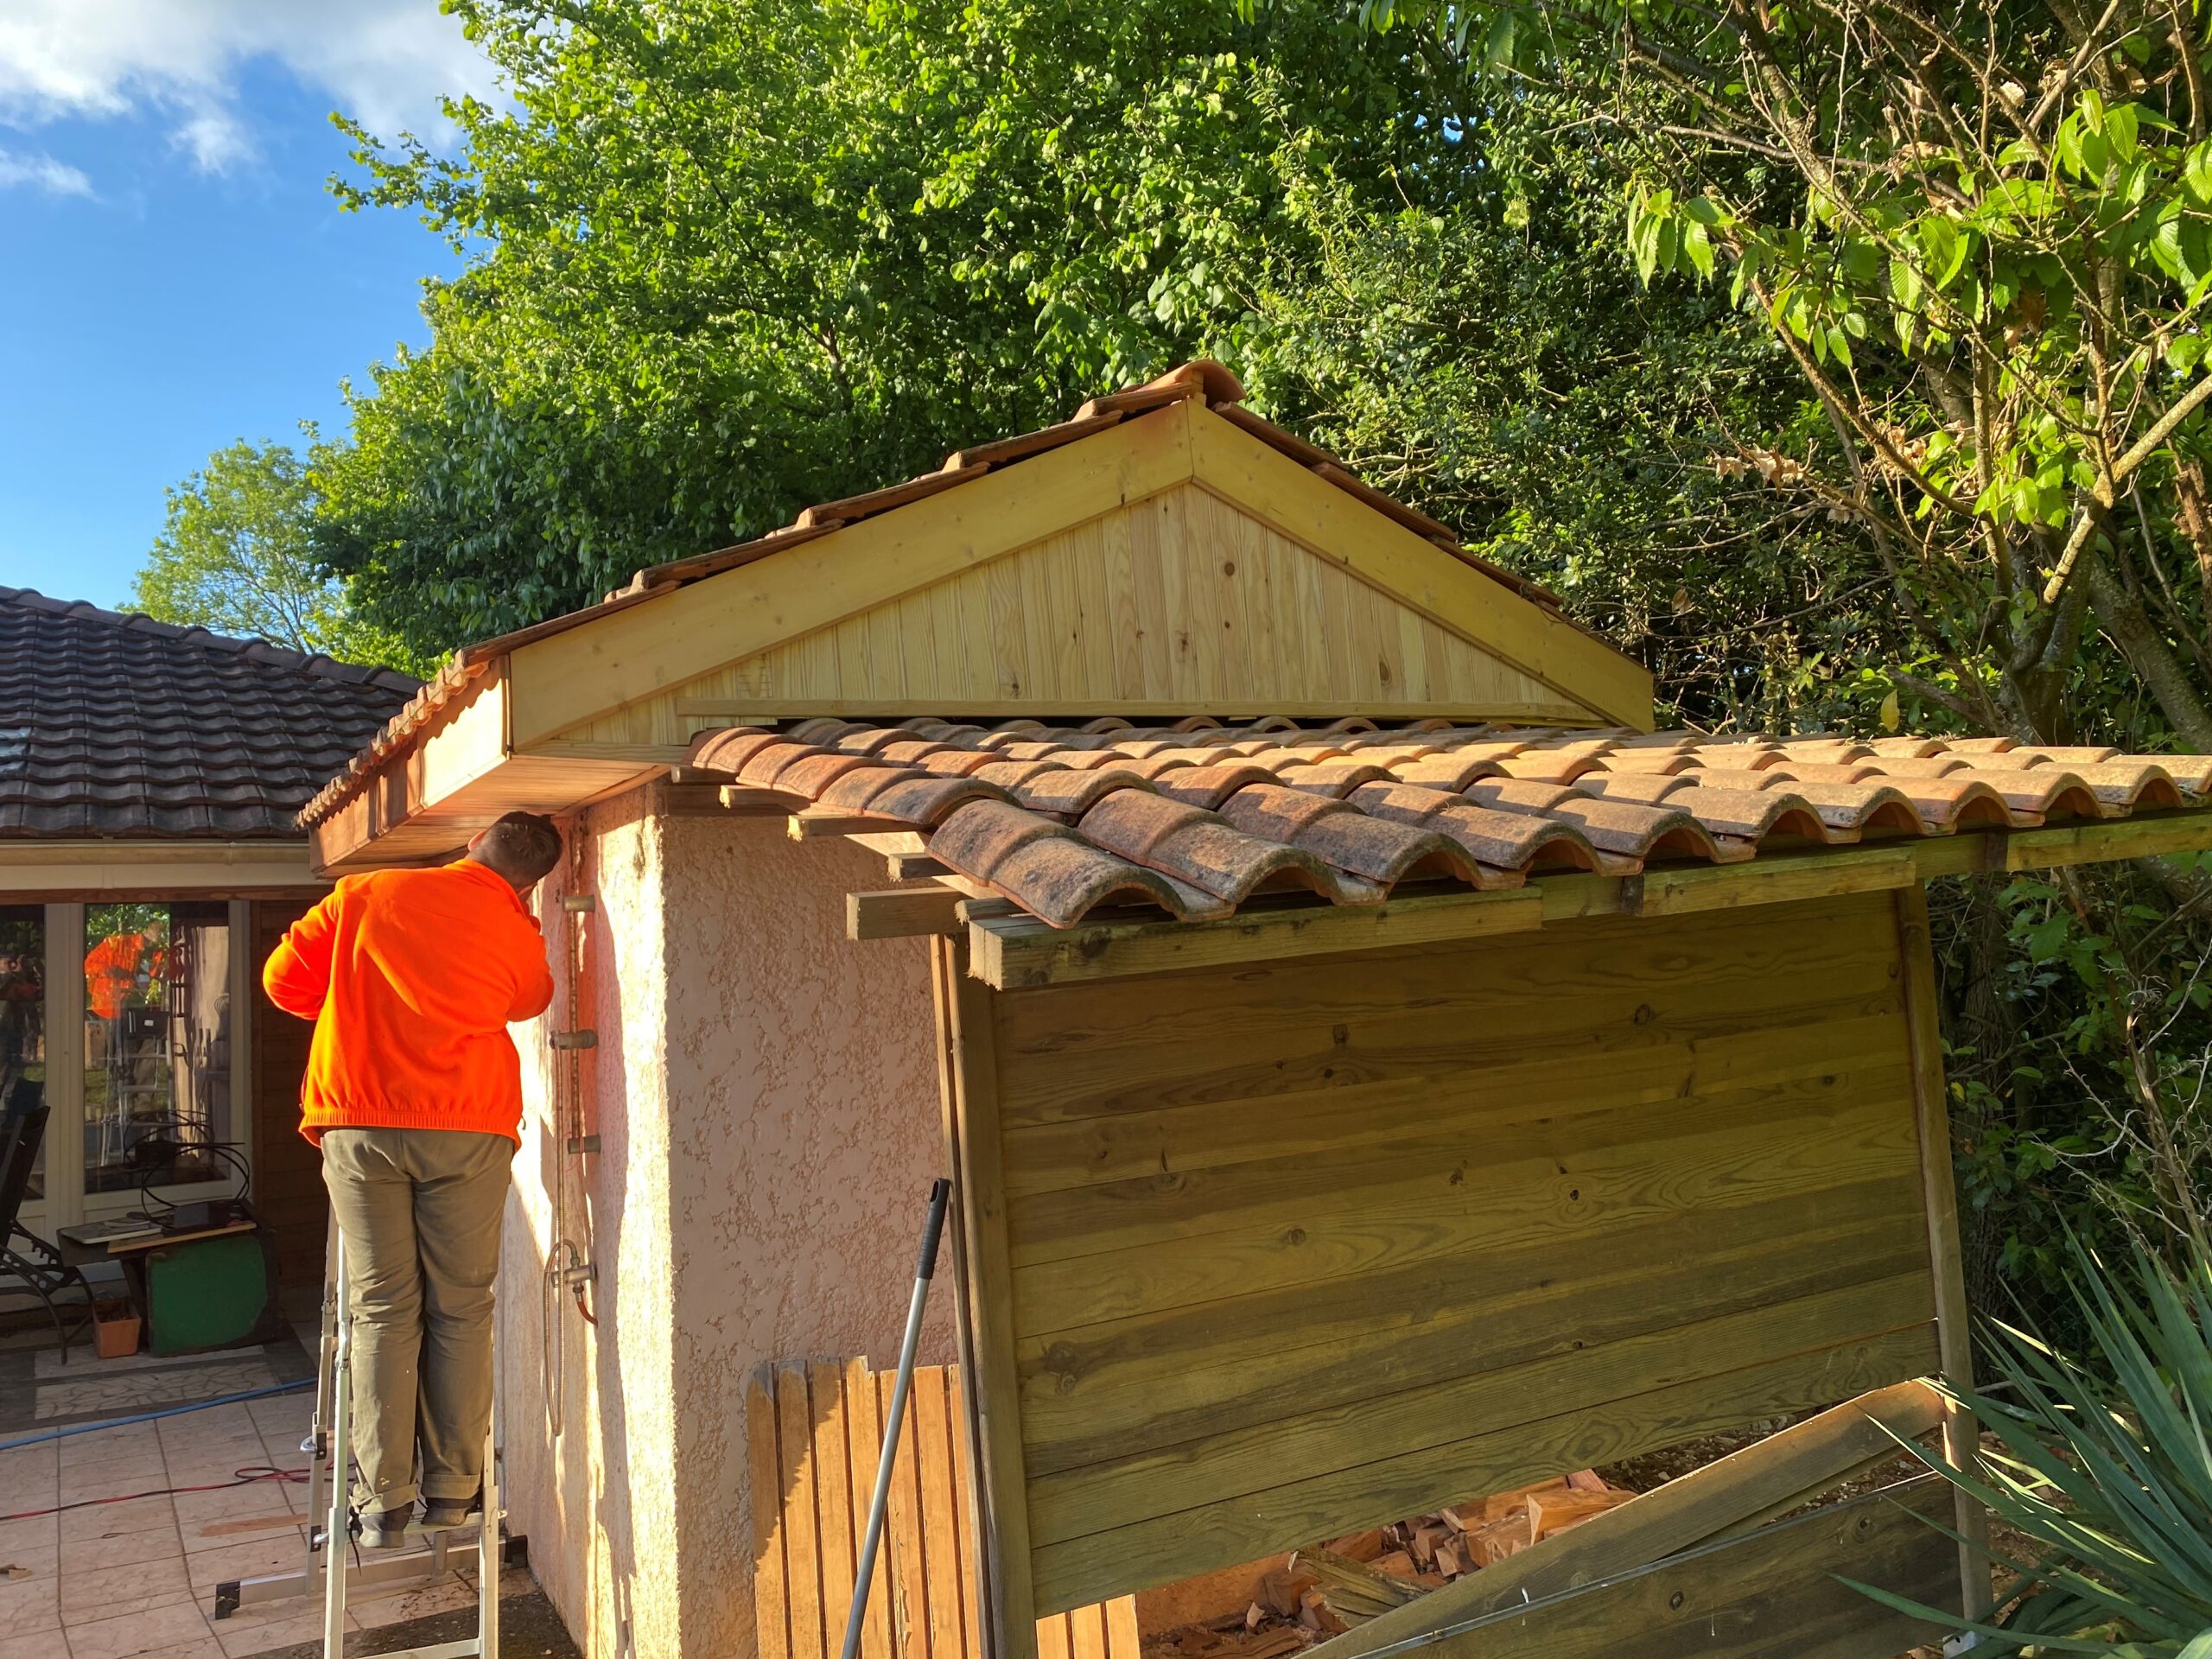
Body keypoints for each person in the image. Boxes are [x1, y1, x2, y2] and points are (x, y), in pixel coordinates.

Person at [264, 812, 562, 1548]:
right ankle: (453, 1492)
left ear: (472, 846)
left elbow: (281, 982)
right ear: (530, 884)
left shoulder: (365, 893)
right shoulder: (515, 928)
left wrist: (346, 1000)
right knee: (460, 1307)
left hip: (361, 1120)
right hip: (467, 1126)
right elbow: (529, 1000)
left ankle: (381, 1501)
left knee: (381, 1307)